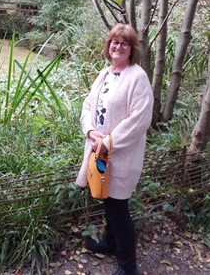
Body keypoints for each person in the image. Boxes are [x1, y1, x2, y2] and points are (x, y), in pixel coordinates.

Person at [76, 23, 154, 275]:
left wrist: (108, 143)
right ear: (108, 46)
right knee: (107, 202)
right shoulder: (105, 73)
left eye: (124, 43)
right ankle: (110, 244)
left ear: (132, 49)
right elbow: (88, 106)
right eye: (114, 42)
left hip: (120, 155)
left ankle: (128, 266)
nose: (118, 46)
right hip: (98, 151)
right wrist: (89, 130)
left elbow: (139, 120)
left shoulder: (138, 77)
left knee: (118, 208)